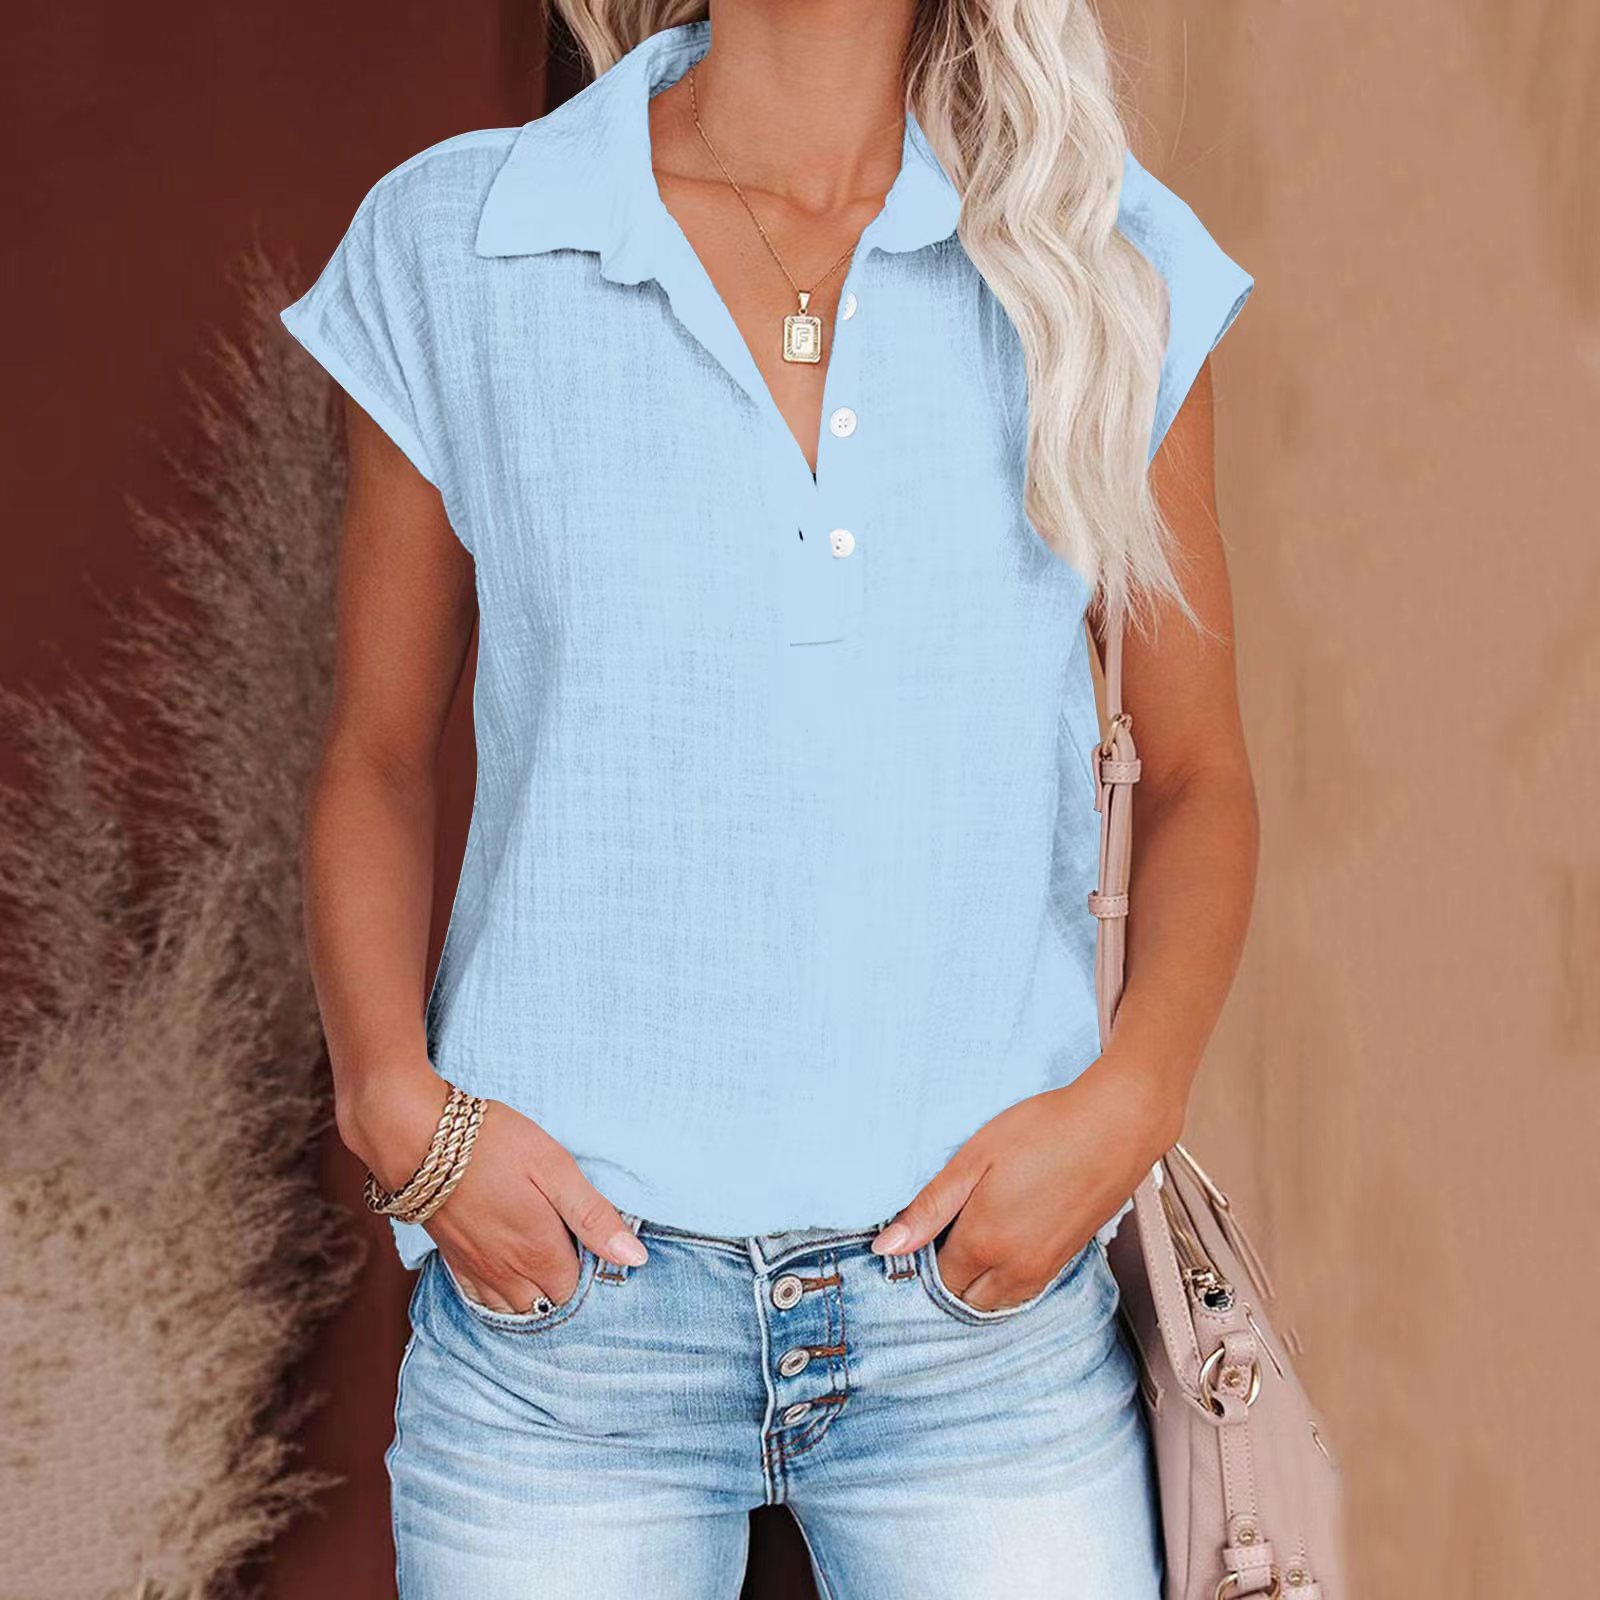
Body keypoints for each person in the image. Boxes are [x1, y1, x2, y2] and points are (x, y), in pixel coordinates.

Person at [280, 3, 1257, 1595]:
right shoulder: (464, 239)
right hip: (564, 1331)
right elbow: (376, 755)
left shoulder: (1098, 253)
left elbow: (1201, 773)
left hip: (983, 1322)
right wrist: (391, 1103)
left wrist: (1131, 1105)